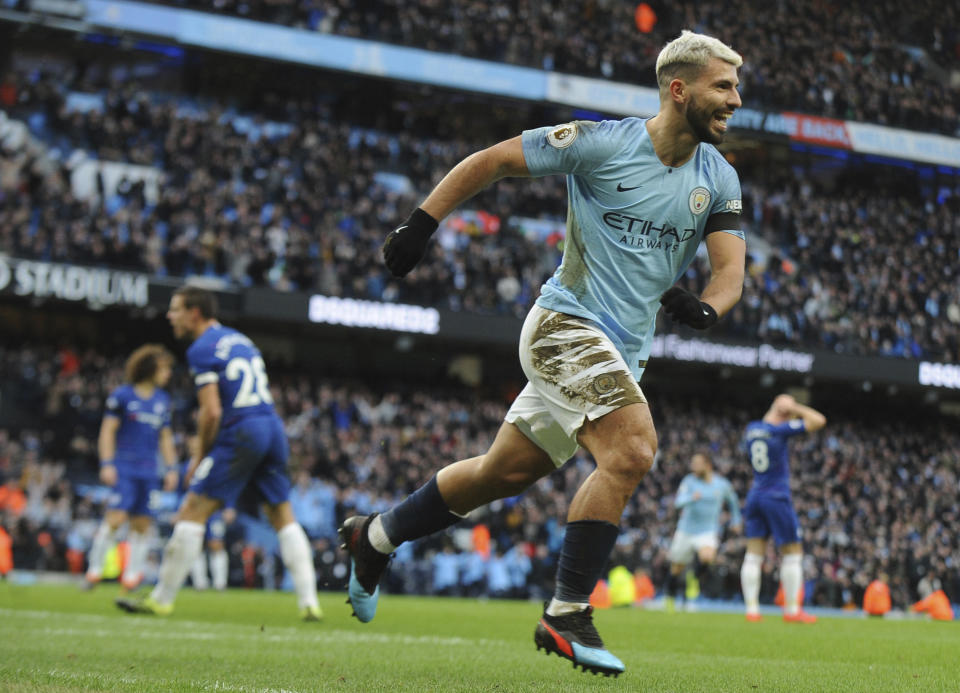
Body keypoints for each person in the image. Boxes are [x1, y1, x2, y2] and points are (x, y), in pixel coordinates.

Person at [340, 30, 746, 677]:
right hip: (565, 325)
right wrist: (421, 224)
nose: (736, 98)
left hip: (622, 353)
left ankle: (376, 535)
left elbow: (730, 272)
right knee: (633, 448)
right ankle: (566, 612)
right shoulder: (603, 143)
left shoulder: (718, 177)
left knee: (500, 473)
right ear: (680, 89)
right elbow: (495, 159)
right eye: (723, 85)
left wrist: (708, 306)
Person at [116, 285, 321, 620]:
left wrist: (199, 457)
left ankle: (161, 599)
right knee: (283, 516)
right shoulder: (241, 339)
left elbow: (211, 412)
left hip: (242, 429)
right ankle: (309, 602)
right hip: (271, 426)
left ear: (194, 313)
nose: (170, 316)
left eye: (176, 309)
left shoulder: (201, 349)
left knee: (192, 511)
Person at [83, 345, 178, 591]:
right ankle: (93, 571)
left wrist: (171, 468)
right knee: (115, 518)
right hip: (124, 467)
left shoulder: (162, 401)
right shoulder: (123, 396)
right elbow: (108, 431)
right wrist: (107, 463)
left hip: (149, 471)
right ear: (150, 368)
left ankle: (132, 577)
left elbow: (165, 438)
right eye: (164, 368)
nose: (168, 373)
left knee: (143, 524)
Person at [740, 394, 826, 623]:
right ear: (784, 413)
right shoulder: (780, 430)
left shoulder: (751, 429)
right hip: (776, 496)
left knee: (753, 554)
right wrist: (795, 407)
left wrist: (784, 409)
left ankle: (752, 610)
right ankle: (791, 610)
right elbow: (818, 420)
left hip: (755, 495)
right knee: (792, 554)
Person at [664, 452, 740, 611]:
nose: (694, 466)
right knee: (676, 568)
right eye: (693, 463)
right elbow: (678, 502)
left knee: (707, 556)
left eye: (697, 463)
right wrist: (692, 497)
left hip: (707, 530)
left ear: (708, 465)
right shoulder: (689, 481)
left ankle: (693, 579)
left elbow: (733, 501)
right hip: (686, 530)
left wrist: (736, 520)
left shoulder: (721, 484)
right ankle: (670, 597)